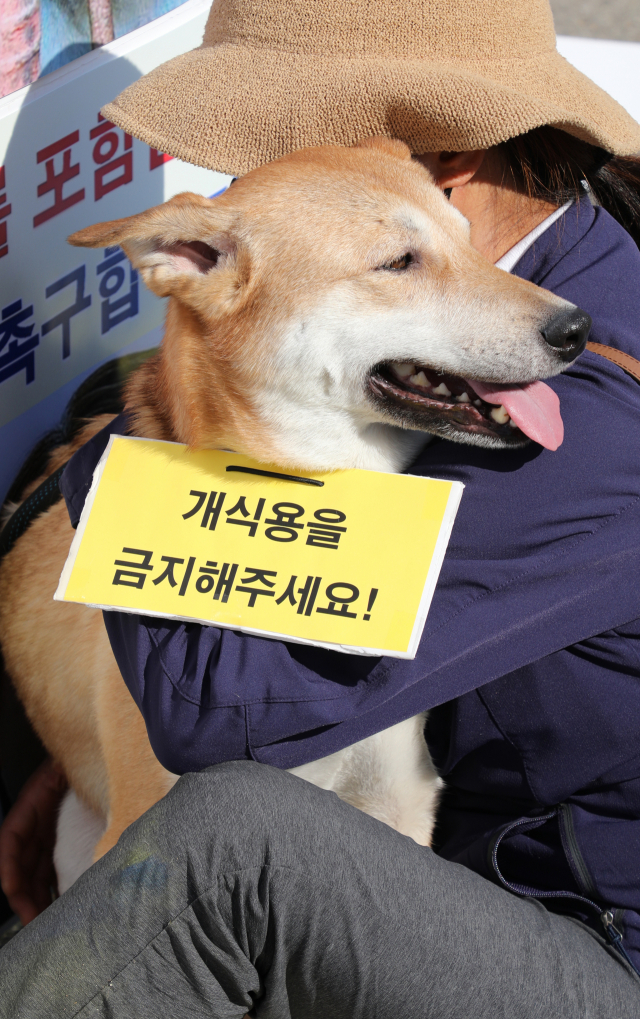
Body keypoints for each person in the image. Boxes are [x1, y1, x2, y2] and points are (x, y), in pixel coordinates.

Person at [1, 0, 640, 1015]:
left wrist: (134, 442)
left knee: (226, 840)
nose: (262, 180)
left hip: (599, 944)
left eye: (277, 145)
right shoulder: (558, 271)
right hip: (512, 834)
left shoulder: (585, 427)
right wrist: (86, 746)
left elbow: (216, 718)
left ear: (441, 162)